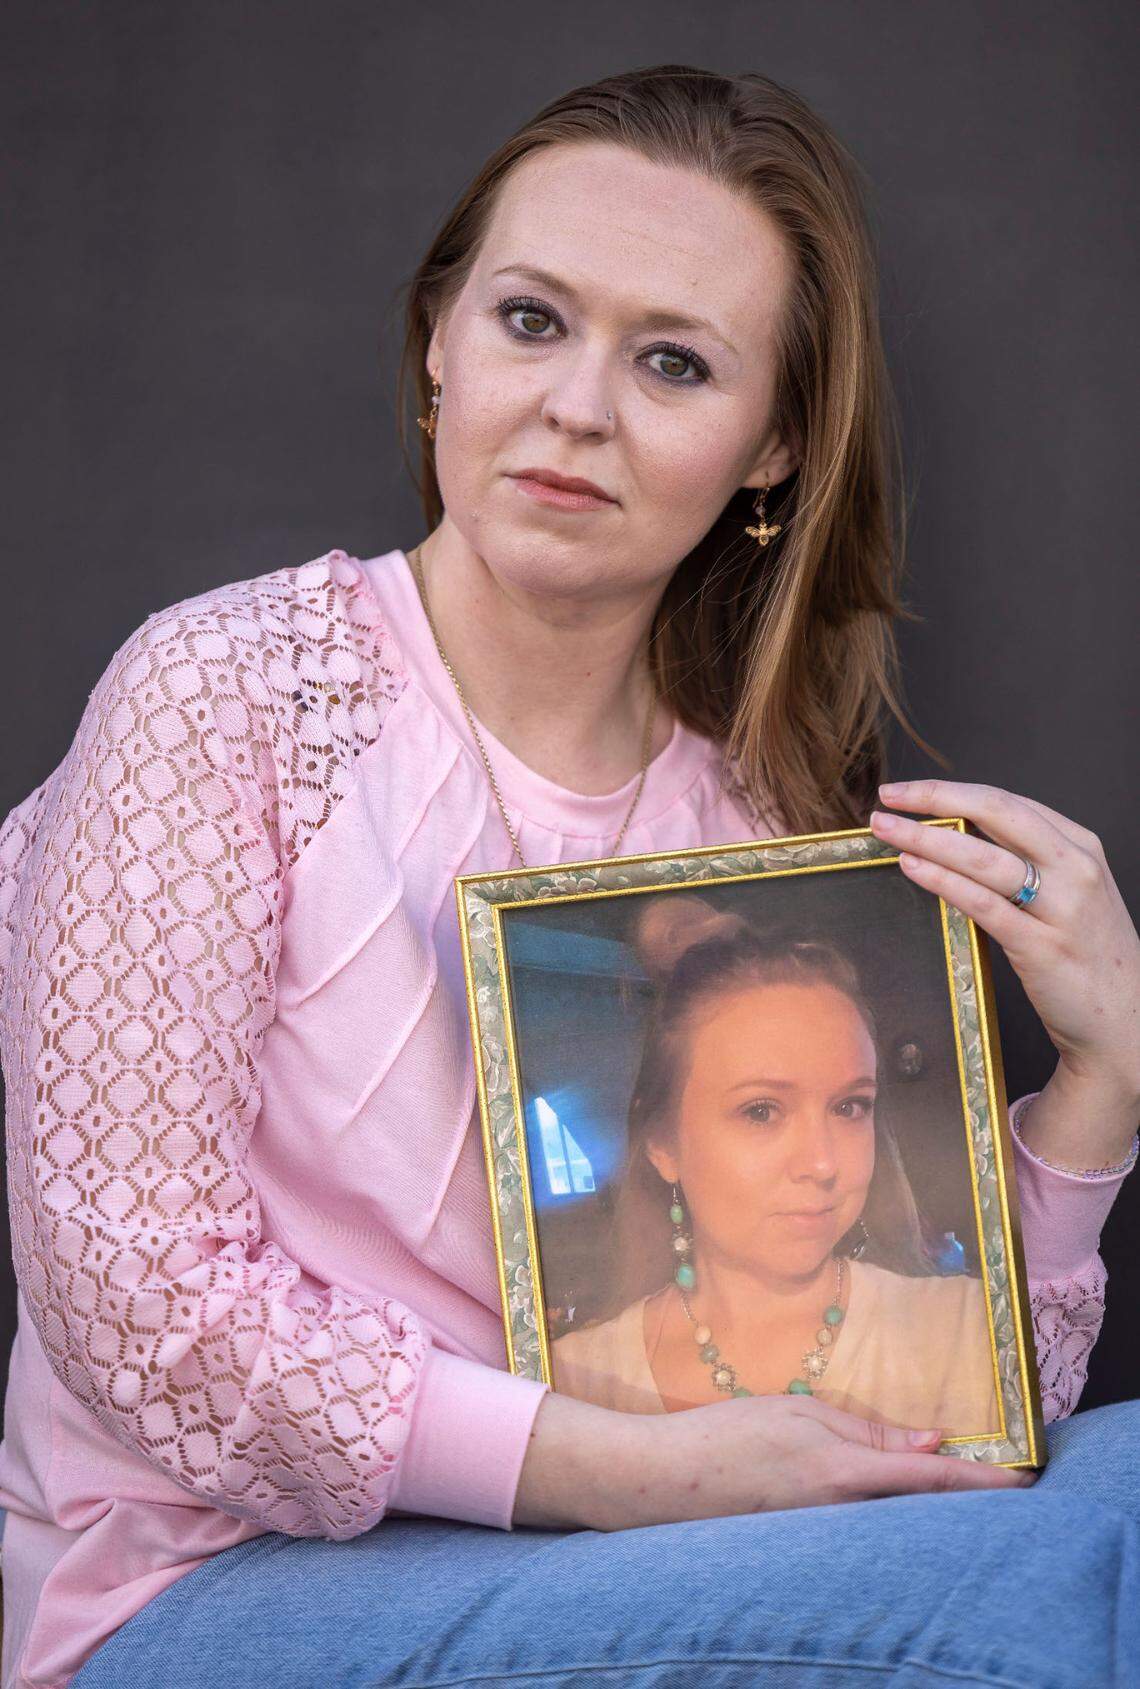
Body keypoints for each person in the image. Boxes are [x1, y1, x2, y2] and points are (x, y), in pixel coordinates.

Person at [0, 62, 1137, 1689]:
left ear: (772, 448)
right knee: (1032, 1599)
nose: (579, 406)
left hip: (616, 1572)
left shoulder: (759, 820)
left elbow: (952, 1427)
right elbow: (139, 1313)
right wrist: (640, 1472)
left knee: (1121, 1493)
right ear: (438, 346)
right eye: (532, 321)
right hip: (199, 1588)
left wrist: (1103, 1080)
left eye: (674, 361)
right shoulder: (221, 697)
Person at [551, 899, 1002, 1433]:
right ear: (663, 1145)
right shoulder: (569, 1386)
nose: (823, 1163)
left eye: (849, 1106)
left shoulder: (969, 1329)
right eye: (761, 1111)